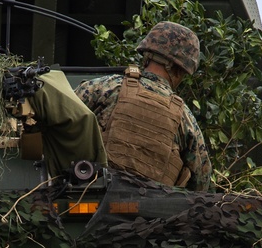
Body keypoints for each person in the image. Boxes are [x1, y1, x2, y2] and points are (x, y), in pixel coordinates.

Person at [74, 21, 212, 191]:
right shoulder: (184, 117)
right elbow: (201, 181)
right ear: (179, 70)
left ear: (147, 57)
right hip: (151, 213)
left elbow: (62, 119)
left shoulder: (105, 87)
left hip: (91, 200)